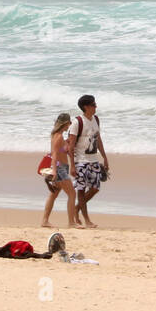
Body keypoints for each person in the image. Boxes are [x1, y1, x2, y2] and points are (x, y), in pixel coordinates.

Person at [67, 95, 109, 228]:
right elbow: (71, 146)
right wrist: (72, 166)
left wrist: (105, 157)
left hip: (93, 160)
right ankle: (87, 220)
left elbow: (99, 140)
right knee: (81, 190)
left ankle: (76, 208)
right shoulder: (77, 122)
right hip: (81, 161)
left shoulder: (96, 119)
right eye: (93, 104)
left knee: (95, 188)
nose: (96, 106)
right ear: (86, 107)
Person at [40, 113, 78, 228]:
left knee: (53, 195)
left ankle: (45, 221)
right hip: (60, 168)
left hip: (60, 167)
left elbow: (60, 150)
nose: (70, 125)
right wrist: (55, 171)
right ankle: (71, 222)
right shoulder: (59, 136)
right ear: (65, 123)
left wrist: (66, 146)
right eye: (69, 123)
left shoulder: (57, 135)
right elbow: (55, 154)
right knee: (72, 193)